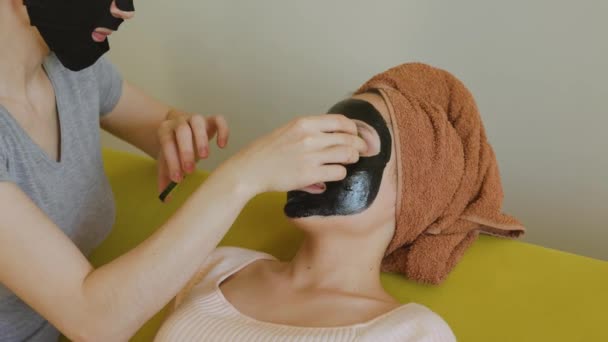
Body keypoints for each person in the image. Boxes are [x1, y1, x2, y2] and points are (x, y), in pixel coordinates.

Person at [0, 1, 367, 341]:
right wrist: (243, 177)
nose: (124, 10)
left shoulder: (71, 70)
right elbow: (95, 321)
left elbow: (159, 123)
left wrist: (177, 128)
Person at [154, 91, 458, 342]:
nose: (315, 155)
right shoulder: (215, 265)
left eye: (354, 141)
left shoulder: (412, 332)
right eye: (324, 136)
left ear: (413, 196)